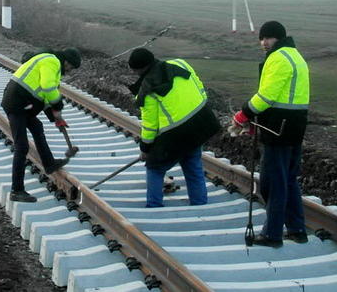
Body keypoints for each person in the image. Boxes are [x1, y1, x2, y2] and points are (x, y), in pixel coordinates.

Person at [231, 20, 310, 247]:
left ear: (277, 38)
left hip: (279, 128)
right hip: (295, 126)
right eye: (261, 39)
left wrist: (243, 115)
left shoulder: (278, 58)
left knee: (272, 183)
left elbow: (266, 97)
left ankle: (272, 235)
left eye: (267, 38)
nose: (263, 43)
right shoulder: (296, 56)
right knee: (288, 181)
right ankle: (297, 230)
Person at [127, 48, 220, 208]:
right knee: (192, 163)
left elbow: (150, 125)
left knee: (154, 167)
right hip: (201, 121)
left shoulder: (146, 89)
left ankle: (154, 205)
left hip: (176, 133)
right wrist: (201, 105)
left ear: (138, 70)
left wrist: (145, 148)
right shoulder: (179, 63)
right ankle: (200, 204)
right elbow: (198, 84)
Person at [1, 48, 82, 202]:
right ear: (66, 61)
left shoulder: (51, 65)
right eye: (70, 67)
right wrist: (58, 106)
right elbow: (48, 87)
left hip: (23, 102)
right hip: (17, 103)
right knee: (22, 146)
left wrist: (55, 117)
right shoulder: (52, 61)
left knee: (37, 127)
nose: (69, 71)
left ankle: (49, 164)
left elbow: (43, 96)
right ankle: (16, 190)